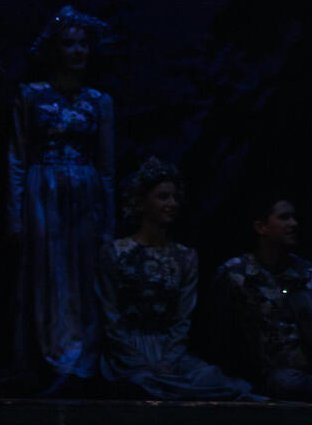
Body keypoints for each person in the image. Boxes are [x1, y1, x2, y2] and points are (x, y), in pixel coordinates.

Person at [7, 6, 116, 393]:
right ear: (55, 49)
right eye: (69, 43)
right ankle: (49, 355)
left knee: (82, 271)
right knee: (47, 270)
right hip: (44, 189)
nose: (78, 50)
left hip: (84, 191)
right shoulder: (30, 96)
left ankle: (80, 357)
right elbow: (17, 156)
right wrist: (14, 212)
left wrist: (108, 219)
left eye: (83, 43)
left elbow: (106, 165)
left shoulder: (99, 101)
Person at [96, 157, 257, 400]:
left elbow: (183, 318)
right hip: (127, 353)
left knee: (214, 379)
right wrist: (138, 359)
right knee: (143, 382)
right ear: (141, 202)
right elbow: (110, 316)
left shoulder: (185, 257)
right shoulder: (115, 253)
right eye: (163, 197)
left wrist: (167, 360)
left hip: (171, 353)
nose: (172, 203)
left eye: (174, 197)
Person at [212, 195, 312, 401]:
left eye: (294, 217)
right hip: (264, 374)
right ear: (261, 227)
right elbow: (221, 331)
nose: (293, 224)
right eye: (284, 218)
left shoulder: (311, 275)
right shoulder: (235, 275)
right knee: (283, 381)